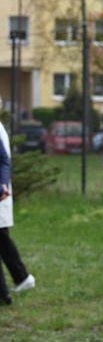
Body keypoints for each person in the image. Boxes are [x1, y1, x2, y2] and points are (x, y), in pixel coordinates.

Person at [0, 121, 36, 306]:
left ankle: (15, 282)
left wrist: (2, 185)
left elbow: (4, 161)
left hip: (1, 194)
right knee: (3, 241)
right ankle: (20, 278)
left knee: (3, 241)